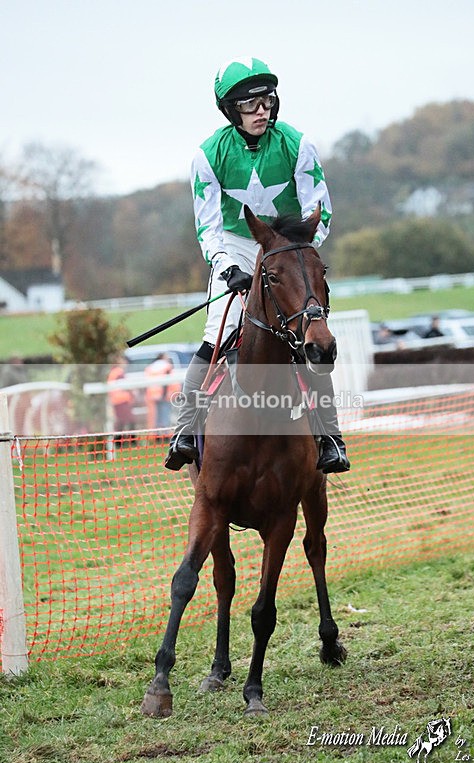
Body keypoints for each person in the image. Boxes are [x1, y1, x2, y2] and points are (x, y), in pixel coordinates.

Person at [165, 56, 350, 474]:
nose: (261, 110)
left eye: (266, 101)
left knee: (312, 333)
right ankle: (185, 427)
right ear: (231, 111)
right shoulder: (207, 155)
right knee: (218, 332)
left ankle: (330, 438)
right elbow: (208, 227)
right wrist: (228, 267)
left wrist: (294, 251)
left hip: (290, 245)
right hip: (236, 246)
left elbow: (320, 211)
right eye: (250, 105)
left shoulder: (298, 144)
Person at [107, 356, 135, 440]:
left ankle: (121, 439)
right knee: (128, 420)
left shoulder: (114, 372)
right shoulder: (118, 372)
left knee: (122, 421)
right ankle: (129, 439)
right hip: (121, 400)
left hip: (118, 400)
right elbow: (125, 386)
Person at [145, 353, 173, 429]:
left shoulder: (151, 367)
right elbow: (166, 382)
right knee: (164, 416)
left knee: (155, 417)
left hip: (152, 395)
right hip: (164, 395)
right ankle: (165, 435)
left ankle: (157, 435)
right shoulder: (166, 366)